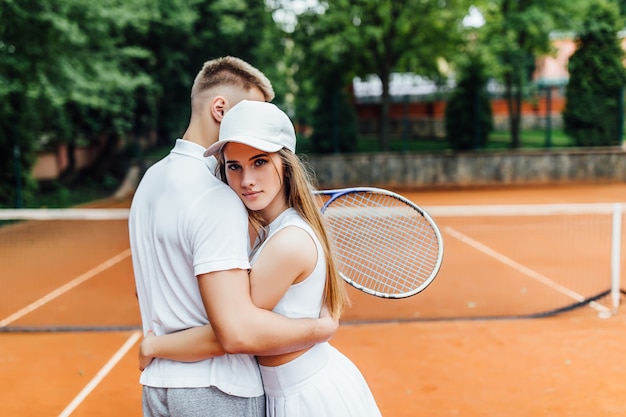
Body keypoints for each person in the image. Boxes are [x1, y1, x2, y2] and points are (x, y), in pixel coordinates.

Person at [138, 100, 383, 417]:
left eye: (259, 162)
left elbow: (230, 333)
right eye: (234, 166)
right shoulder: (269, 231)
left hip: (308, 398)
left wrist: (154, 347)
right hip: (289, 390)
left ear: (285, 164)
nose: (246, 180)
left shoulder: (288, 242)